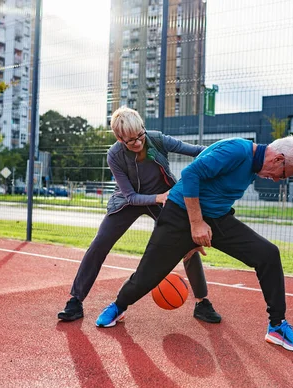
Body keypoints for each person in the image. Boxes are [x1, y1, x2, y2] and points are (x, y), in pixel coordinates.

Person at [95, 135, 293, 352]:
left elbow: (219, 191)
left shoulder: (255, 166)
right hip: (180, 215)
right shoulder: (237, 150)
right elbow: (190, 174)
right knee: (147, 276)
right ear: (278, 159)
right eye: (283, 175)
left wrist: (199, 234)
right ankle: (118, 306)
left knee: (268, 254)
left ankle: (277, 326)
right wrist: (195, 225)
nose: (276, 180)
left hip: (217, 219)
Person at [58, 106, 221, 324]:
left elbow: (195, 150)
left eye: (140, 136)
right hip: (129, 202)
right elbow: (131, 196)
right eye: (130, 140)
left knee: (187, 244)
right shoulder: (114, 155)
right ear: (119, 138)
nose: (138, 142)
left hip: (165, 198)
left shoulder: (157, 140)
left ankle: (202, 302)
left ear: (143, 128)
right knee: (99, 244)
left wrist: (227, 153)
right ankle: (75, 301)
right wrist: (158, 197)